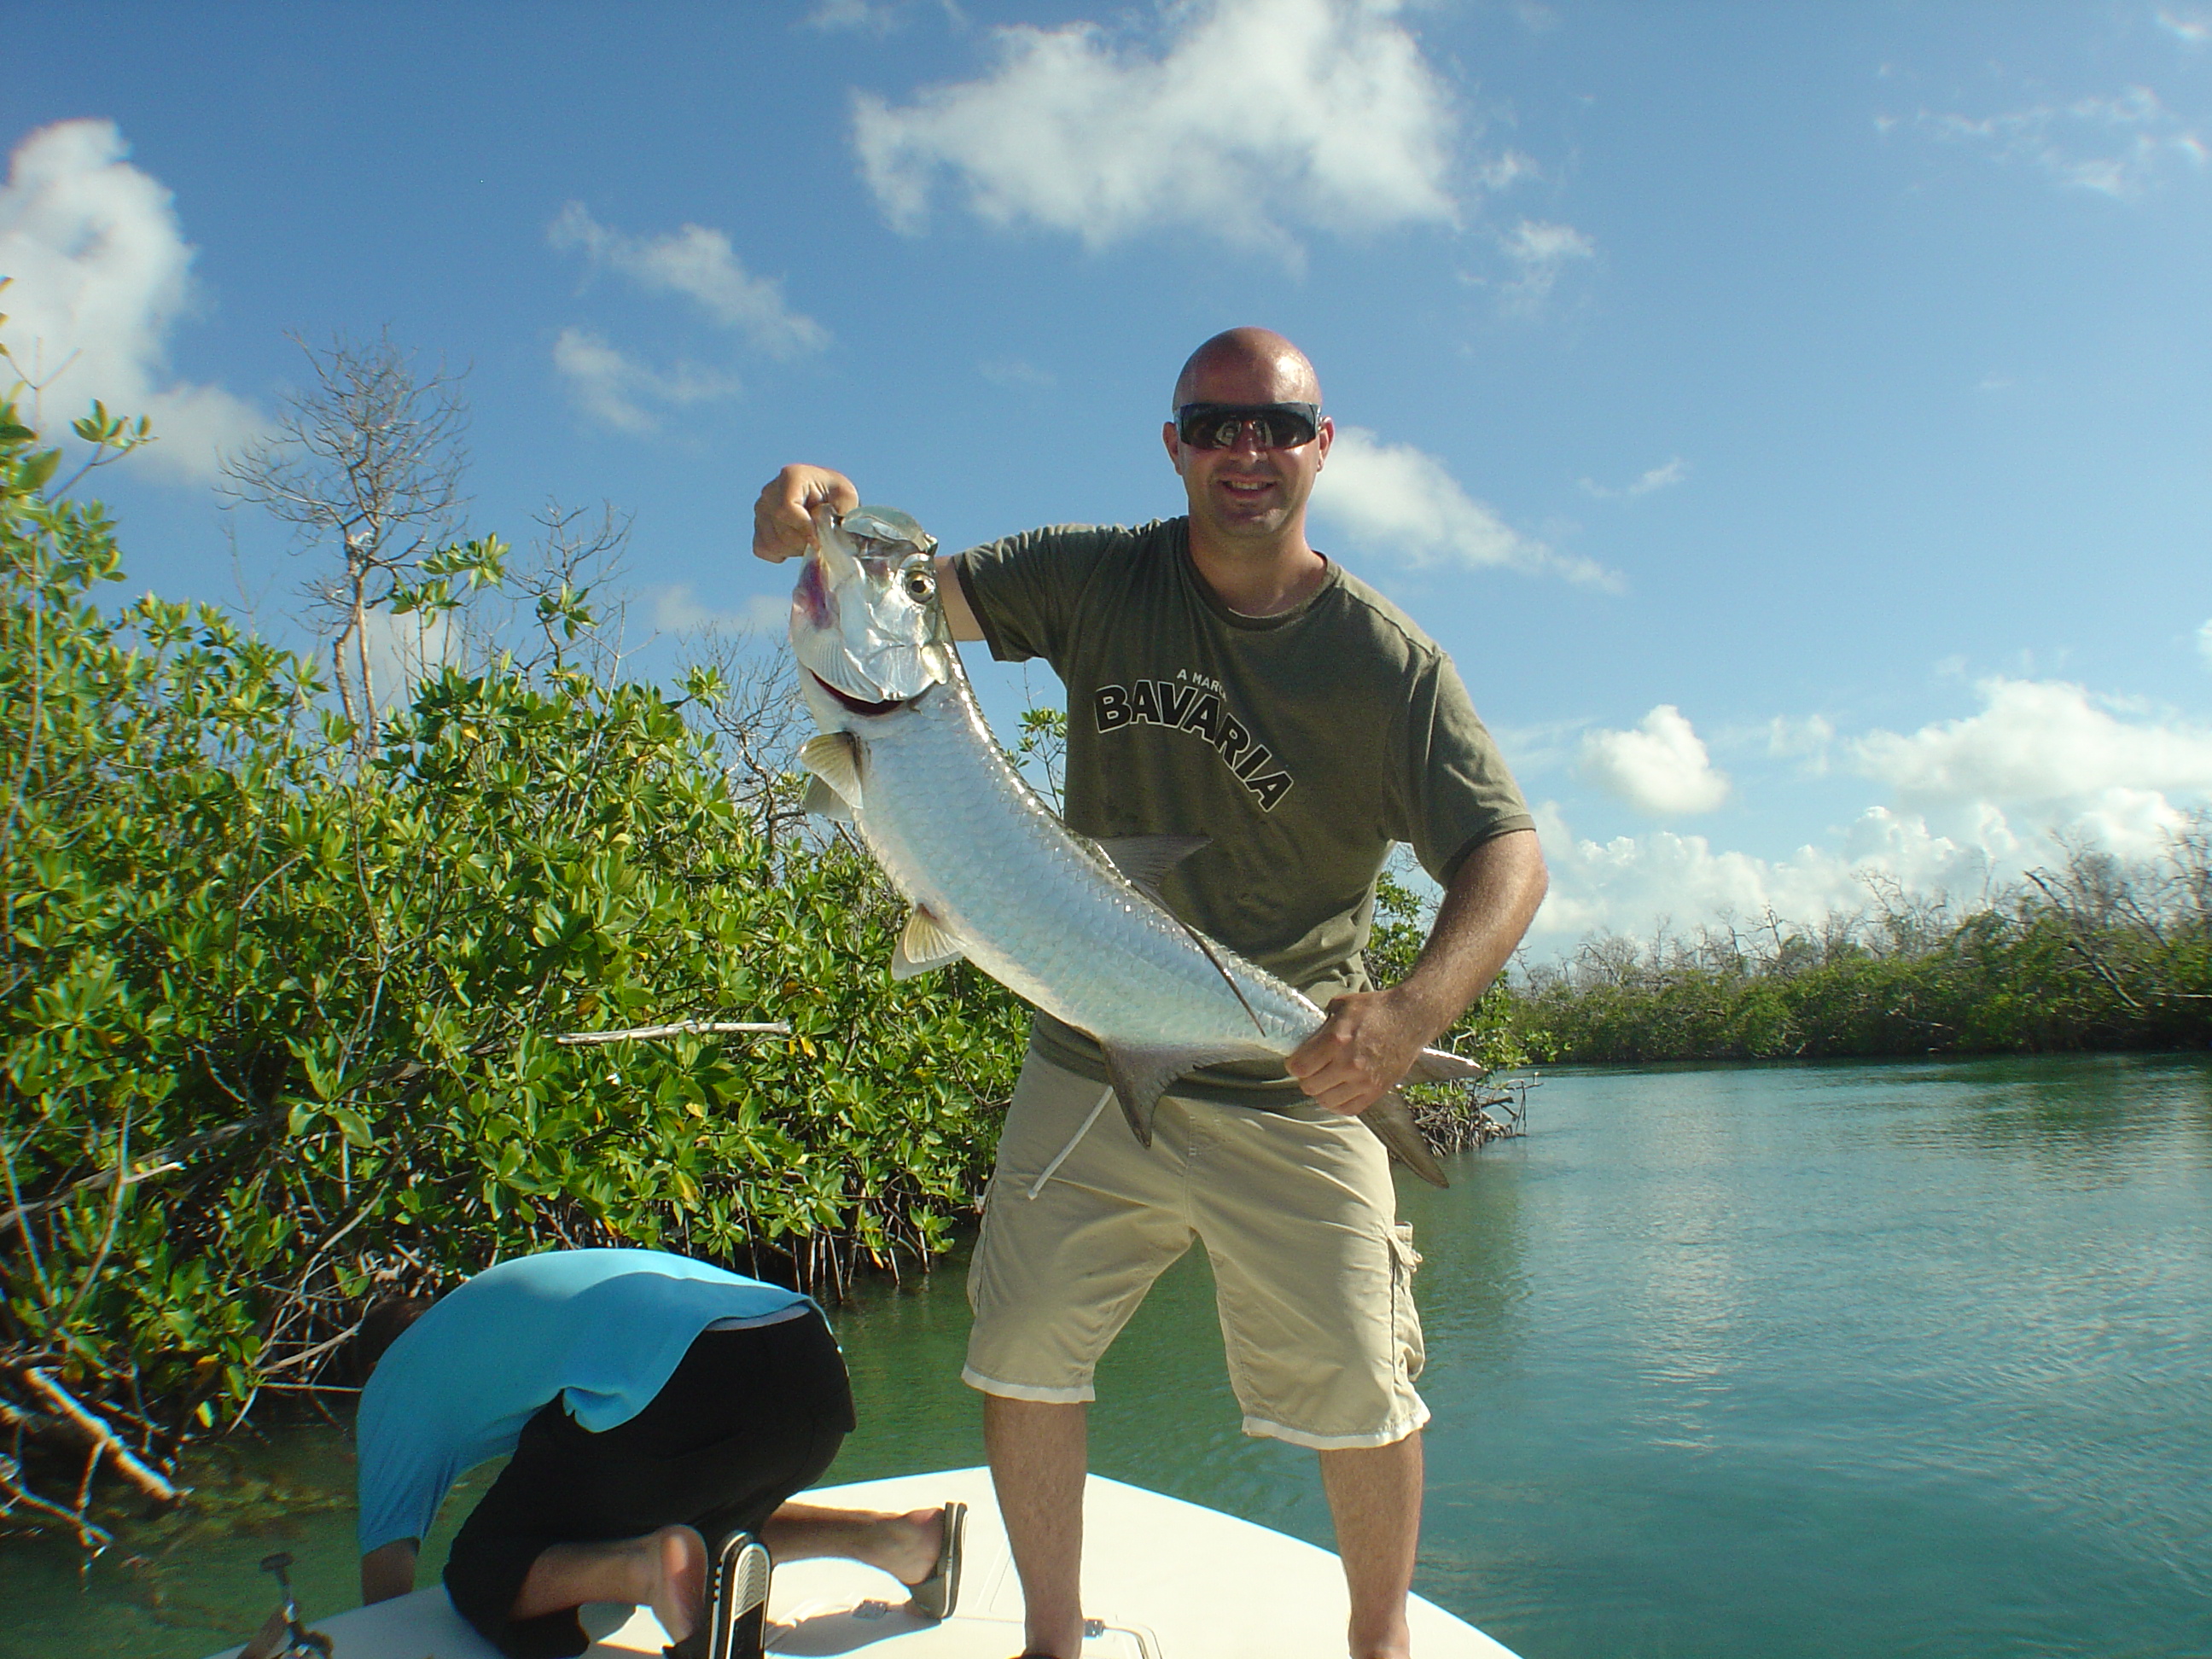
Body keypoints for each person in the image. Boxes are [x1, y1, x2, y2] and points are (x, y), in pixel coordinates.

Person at [751, 327, 1547, 1659]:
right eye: (1217, 423)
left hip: (1295, 1080)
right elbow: (902, 593)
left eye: (1280, 426)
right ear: (1173, 443)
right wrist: (817, 514)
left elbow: (1507, 854)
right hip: (1083, 1053)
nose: (1250, 450)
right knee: (1020, 1352)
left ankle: (1379, 1645)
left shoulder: (1387, 664)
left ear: (1323, 445)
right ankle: (1052, 1642)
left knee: (1363, 1387)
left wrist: (1406, 1021)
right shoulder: (1097, 576)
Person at [352, 1247, 964, 1659]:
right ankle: (897, 1542)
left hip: (689, 1378)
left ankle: (651, 1572)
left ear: (377, 1367)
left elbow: (388, 1608)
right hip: (811, 1365)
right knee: (666, 1499)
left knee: (479, 1566)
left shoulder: (393, 1384)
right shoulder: (486, 1314)